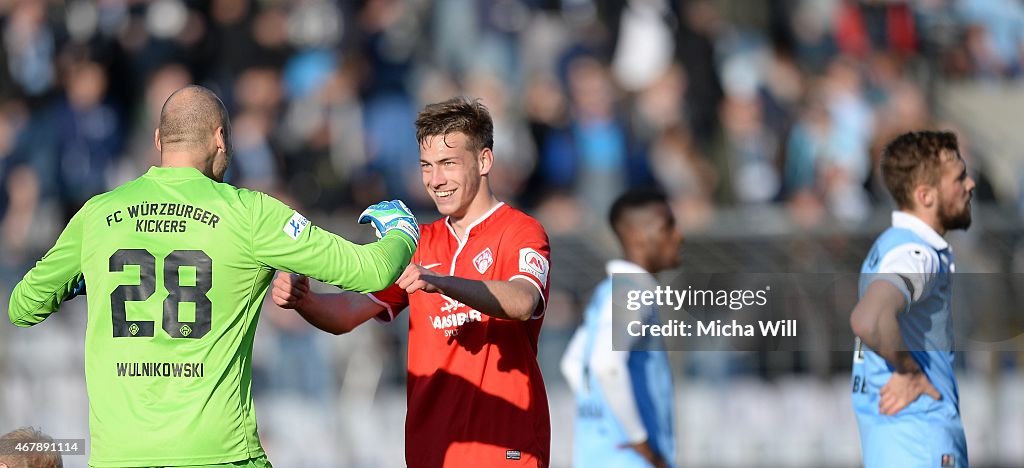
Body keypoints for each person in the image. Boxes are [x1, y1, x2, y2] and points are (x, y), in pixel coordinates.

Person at [7, 85, 419, 467]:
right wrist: (403, 229)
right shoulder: (249, 214)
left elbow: (22, 307)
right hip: (218, 453)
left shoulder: (97, 215)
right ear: (220, 139)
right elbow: (373, 270)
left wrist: (82, 281)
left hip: (120, 455)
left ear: (157, 141)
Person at [271, 97, 551, 467]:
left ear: (483, 161)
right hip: (431, 450)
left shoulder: (521, 231)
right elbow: (349, 313)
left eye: (448, 164)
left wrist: (441, 282)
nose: (436, 180)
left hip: (505, 447)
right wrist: (304, 301)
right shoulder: (417, 243)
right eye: (426, 166)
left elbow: (523, 301)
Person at [850, 130, 975, 468]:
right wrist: (909, 372)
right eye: (959, 178)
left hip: (895, 443)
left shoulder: (888, 245)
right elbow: (868, 319)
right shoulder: (917, 254)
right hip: (921, 443)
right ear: (926, 195)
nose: (971, 184)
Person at [560, 189, 680, 468]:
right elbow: (606, 365)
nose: (678, 235)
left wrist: (602, 417)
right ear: (637, 235)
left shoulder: (607, 291)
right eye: (668, 227)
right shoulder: (631, 291)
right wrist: (640, 441)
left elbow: (572, 363)